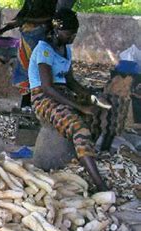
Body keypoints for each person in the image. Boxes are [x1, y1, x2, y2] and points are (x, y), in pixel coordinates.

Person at [28, 9, 107, 191]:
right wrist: (80, 106)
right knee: (78, 128)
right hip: (43, 98)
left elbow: (70, 81)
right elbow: (47, 87)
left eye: (75, 34)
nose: (72, 37)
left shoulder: (65, 49)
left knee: (94, 116)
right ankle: (100, 184)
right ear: (57, 30)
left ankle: (81, 158)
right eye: (69, 33)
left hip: (61, 93)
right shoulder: (44, 50)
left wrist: (90, 97)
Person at [0, 0, 75, 109]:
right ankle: (27, 102)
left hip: (40, 37)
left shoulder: (45, 46)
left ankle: (38, 102)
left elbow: (51, 18)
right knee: (25, 70)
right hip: (27, 41)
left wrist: (27, 20)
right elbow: (20, 19)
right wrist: (3, 29)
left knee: (38, 71)